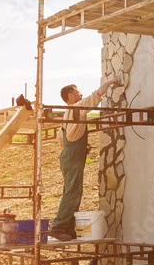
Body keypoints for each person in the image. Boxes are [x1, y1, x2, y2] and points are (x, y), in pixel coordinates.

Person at [50, 76, 120, 241]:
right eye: (78, 92)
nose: (80, 94)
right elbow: (95, 96)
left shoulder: (66, 113)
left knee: (71, 190)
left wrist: (80, 146)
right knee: (73, 192)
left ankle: (67, 228)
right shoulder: (77, 107)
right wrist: (110, 82)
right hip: (73, 155)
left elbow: (61, 139)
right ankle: (58, 227)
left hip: (68, 154)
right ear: (71, 96)